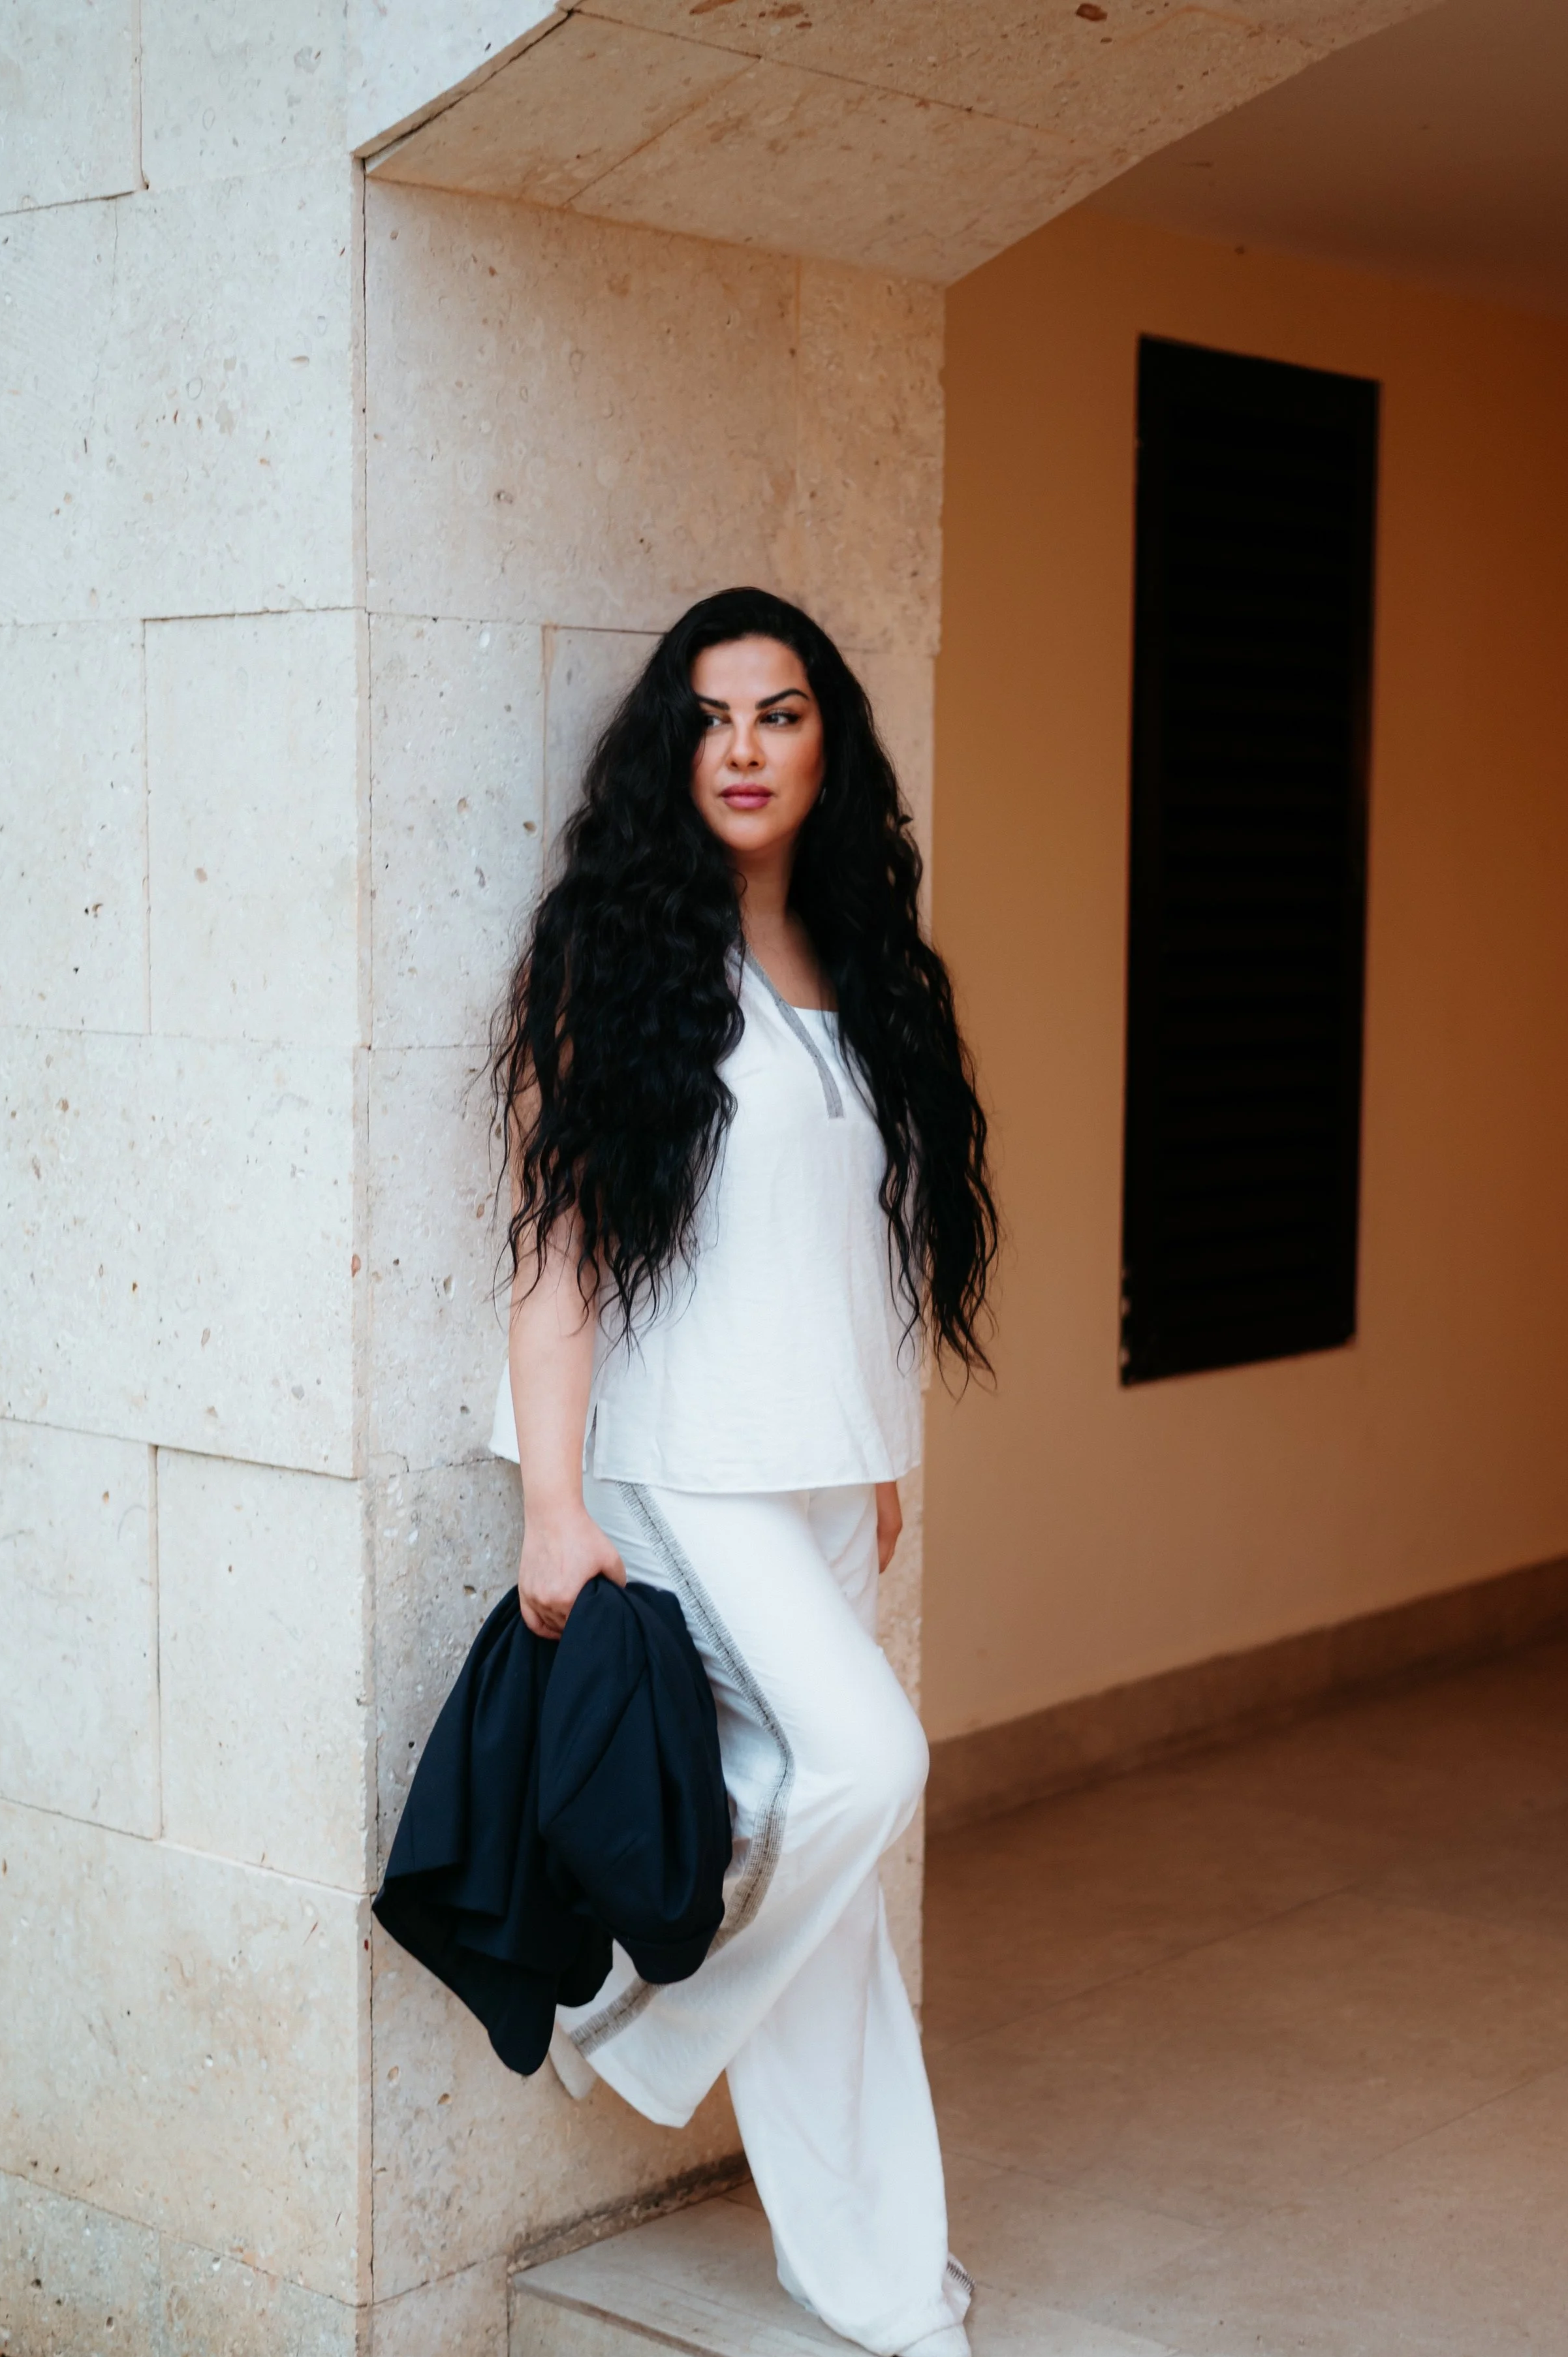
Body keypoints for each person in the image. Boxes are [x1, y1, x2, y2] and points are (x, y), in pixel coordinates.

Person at [488, 585, 997, 2357]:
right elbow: (556, 1251)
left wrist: (878, 1451)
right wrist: (555, 1502)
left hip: (818, 1469)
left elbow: (866, 1240)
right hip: (676, 1469)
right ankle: (637, 2023)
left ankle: (870, 2274)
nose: (747, 751)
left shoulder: (863, 958)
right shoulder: (615, 950)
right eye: (712, 720)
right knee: (867, 1768)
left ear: (826, 741)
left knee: (837, 1898)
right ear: (668, 751)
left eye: (780, 715)